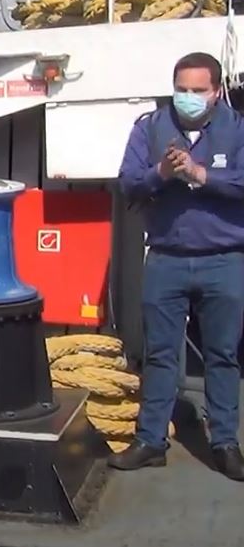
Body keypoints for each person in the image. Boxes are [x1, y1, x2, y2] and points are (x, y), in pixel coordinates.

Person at [113, 51, 244, 482]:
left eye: (198, 90)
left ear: (217, 91)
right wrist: (162, 173)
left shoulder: (238, 129)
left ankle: (224, 443)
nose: (188, 97)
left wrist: (201, 175)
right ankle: (151, 440)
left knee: (223, 355)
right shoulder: (150, 128)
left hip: (224, 259)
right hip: (166, 259)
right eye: (181, 89)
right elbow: (128, 182)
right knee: (160, 354)